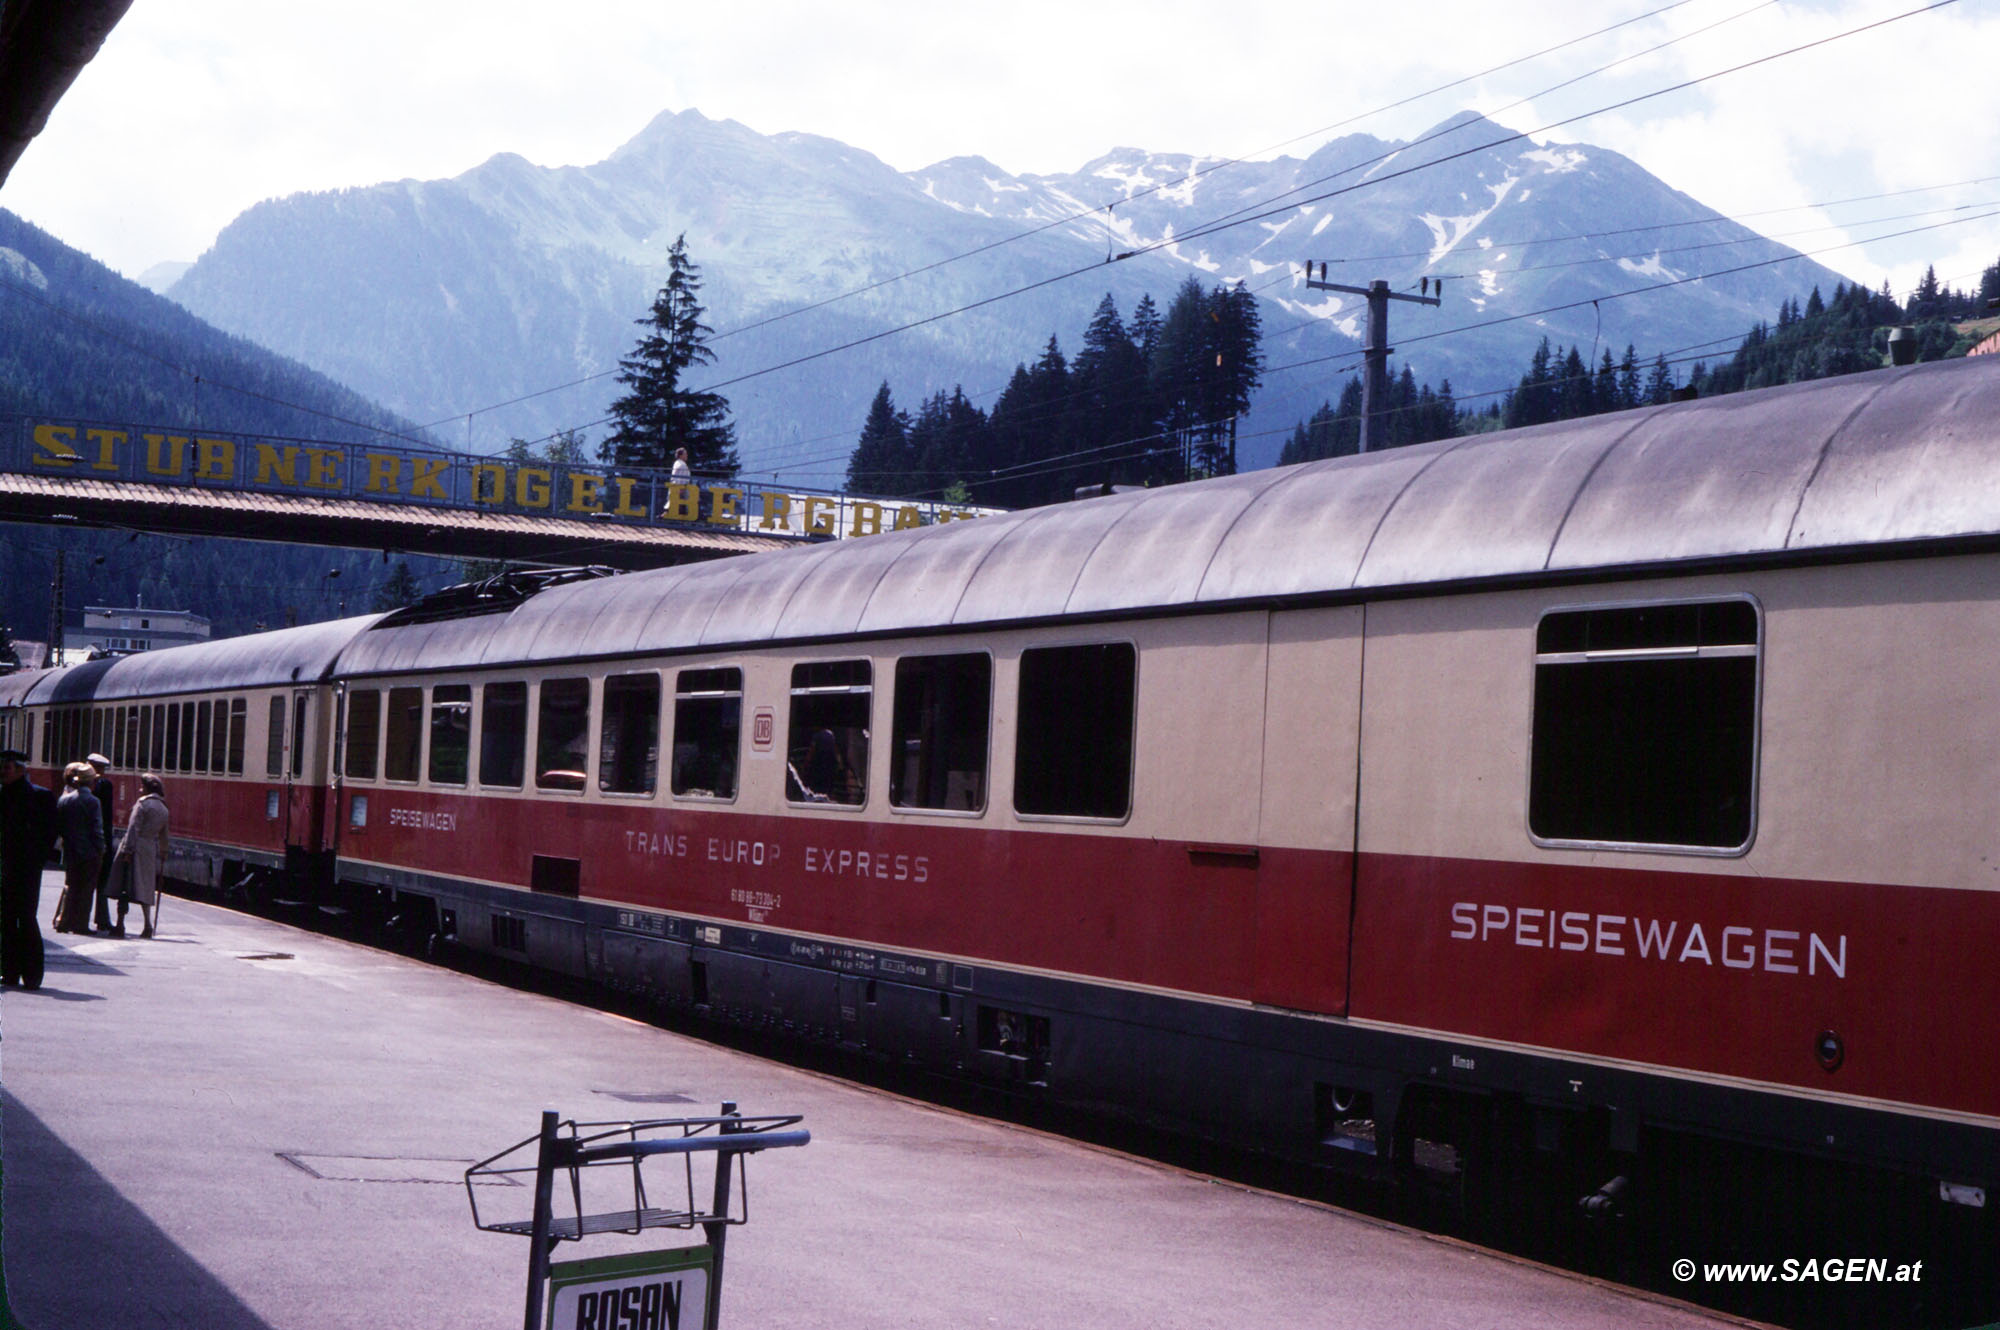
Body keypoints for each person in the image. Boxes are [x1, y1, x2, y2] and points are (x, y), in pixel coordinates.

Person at [0, 748, 58, 988]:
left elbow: (50, 831)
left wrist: (37, 857)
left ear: (21, 770)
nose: (2, 772)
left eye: (6, 768)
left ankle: (32, 975)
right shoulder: (2, 795)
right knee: (5, 919)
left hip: (26, 867)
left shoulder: (40, 797)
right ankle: (10, 970)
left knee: (25, 917)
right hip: (4, 864)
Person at [109, 773, 168, 938]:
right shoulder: (163, 808)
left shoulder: (142, 805)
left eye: (142, 786)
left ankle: (120, 924)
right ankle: (147, 924)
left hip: (135, 847)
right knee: (146, 886)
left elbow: (133, 829)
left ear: (147, 788)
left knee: (124, 885)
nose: (140, 789)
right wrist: (163, 851)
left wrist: (127, 850)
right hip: (150, 849)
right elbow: (164, 834)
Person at [54, 762, 104, 934]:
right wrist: (101, 849)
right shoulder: (93, 801)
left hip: (70, 850)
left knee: (71, 885)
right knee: (86, 889)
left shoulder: (64, 800)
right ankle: (81, 924)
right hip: (89, 852)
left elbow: (59, 826)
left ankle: (64, 921)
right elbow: (96, 830)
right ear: (91, 782)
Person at [87, 753, 117, 932]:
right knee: (102, 881)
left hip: (81, 842)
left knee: (78, 882)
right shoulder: (104, 786)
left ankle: (70, 916)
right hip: (101, 838)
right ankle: (102, 919)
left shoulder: (73, 786)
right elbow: (105, 818)